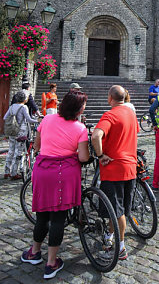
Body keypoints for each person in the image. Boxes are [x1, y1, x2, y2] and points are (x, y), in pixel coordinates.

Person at [21, 91, 89, 279]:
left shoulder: (47, 120)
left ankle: (34, 252)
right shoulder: (80, 128)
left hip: (42, 171)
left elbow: (36, 146)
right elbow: (83, 157)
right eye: (83, 105)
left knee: (42, 215)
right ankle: (51, 263)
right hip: (63, 174)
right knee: (58, 219)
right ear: (78, 109)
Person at [92, 85, 139, 261]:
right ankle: (110, 237)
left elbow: (96, 136)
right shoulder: (131, 114)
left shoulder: (110, 115)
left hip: (113, 170)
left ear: (109, 98)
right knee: (118, 209)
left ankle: (120, 248)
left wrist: (100, 155)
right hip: (130, 168)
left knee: (117, 212)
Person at [4, 90, 39, 180]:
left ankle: (6, 171)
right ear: (24, 99)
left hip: (12, 130)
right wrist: (38, 121)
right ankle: (14, 173)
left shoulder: (12, 106)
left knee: (11, 150)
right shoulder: (23, 107)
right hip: (21, 130)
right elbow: (29, 119)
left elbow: (5, 117)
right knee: (18, 151)